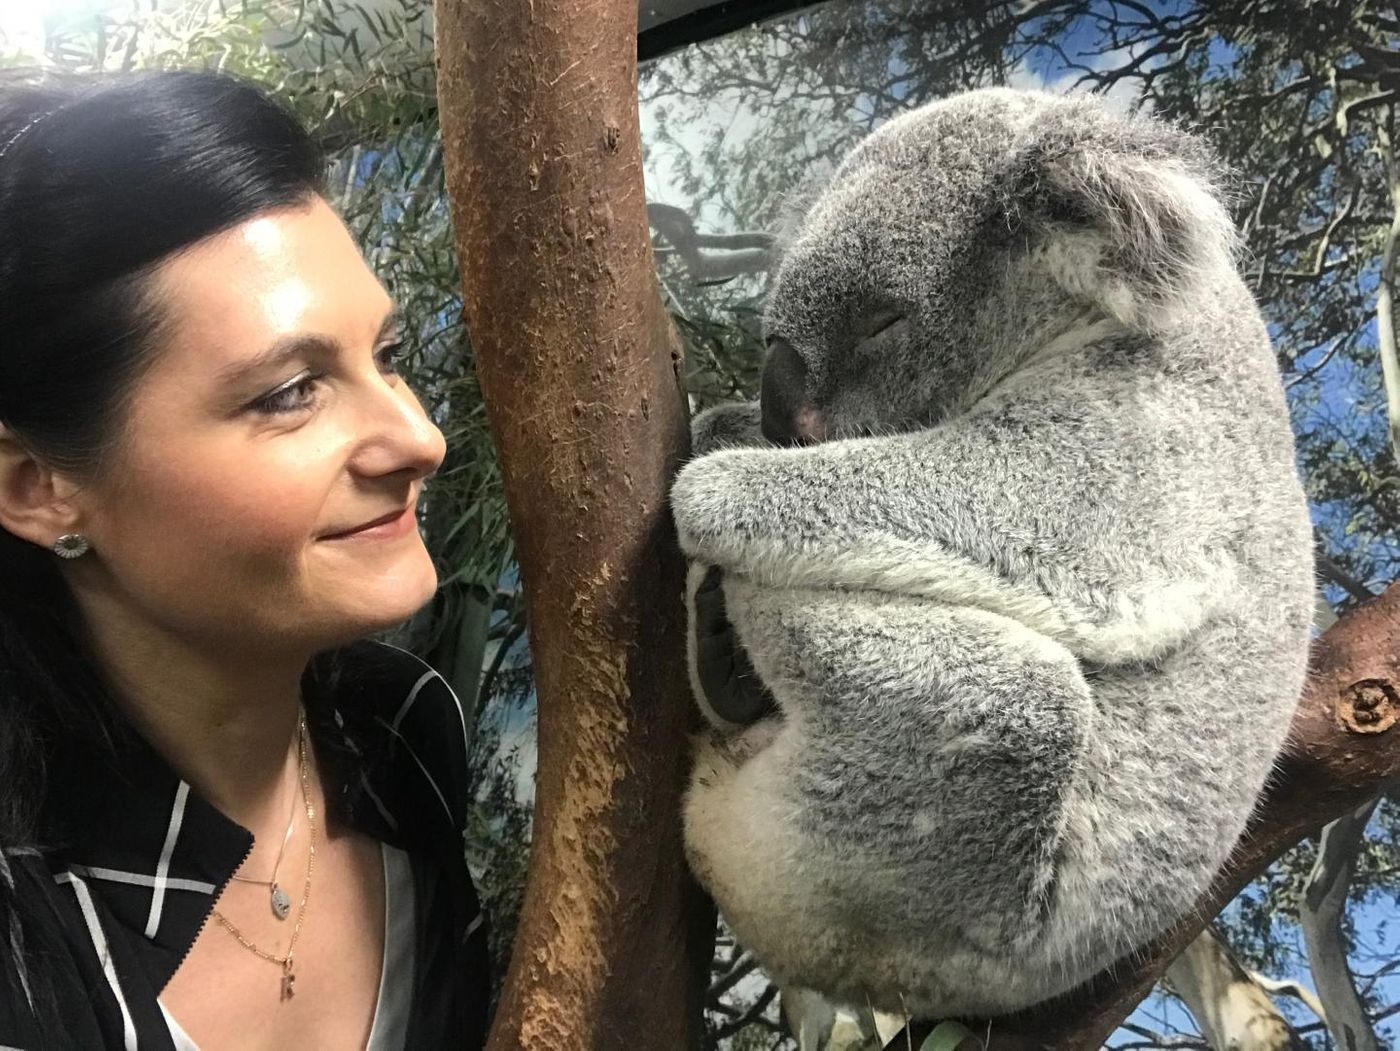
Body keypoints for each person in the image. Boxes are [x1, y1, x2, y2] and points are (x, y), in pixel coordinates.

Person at [0, 67, 490, 1049]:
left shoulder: (398, 734)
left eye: (386, 356)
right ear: (35, 488)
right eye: (291, 391)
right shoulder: (27, 935)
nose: (418, 440)